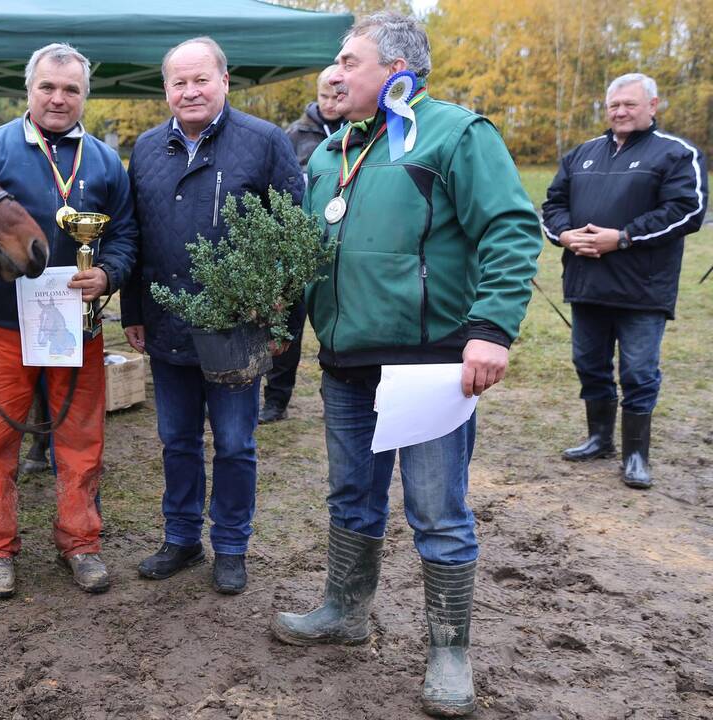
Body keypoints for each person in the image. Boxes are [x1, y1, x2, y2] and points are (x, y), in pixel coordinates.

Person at [268, 12, 542, 717]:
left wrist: (491, 330)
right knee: (350, 496)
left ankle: (450, 649)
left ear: (395, 69)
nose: (333, 72)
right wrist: (282, 324)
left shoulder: (455, 133)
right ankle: (344, 608)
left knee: (436, 511)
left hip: (429, 368)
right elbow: (311, 253)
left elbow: (510, 227)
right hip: (346, 362)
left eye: (347, 60)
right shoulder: (333, 150)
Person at [0, 43, 137, 598]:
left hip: (79, 328)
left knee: (81, 441)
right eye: (48, 87)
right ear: (29, 91)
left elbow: (123, 235)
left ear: (84, 97)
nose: (58, 98)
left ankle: (81, 543)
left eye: (71, 89)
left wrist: (109, 274)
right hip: (2, 324)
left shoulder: (102, 161)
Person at [121, 37, 304, 595]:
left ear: (225, 81)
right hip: (167, 322)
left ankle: (230, 544)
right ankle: (180, 538)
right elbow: (137, 236)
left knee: (234, 443)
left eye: (201, 79)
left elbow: (294, 239)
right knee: (176, 440)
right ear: (166, 90)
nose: (190, 91)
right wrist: (134, 309)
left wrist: (279, 321)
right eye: (179, 82)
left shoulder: (263, 143)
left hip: (237, 332)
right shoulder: (147, 149)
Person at [542, 73, 708, 490]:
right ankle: (599, 439)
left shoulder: (675, 154)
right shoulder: (583, 154)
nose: (620, 111)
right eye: (614, 104)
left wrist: (623, 237)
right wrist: (564, 234)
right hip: (587, 283)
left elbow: (687, 211)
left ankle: (636, 454)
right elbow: (553, 204)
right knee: (589, 365)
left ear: (653, 106)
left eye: (629, 104)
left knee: (638, 371)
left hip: (642, 288)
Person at [259, 66, 345, 425]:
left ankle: (338, 397)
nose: (329, 103)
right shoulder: (293, 135)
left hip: (341, 245)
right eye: (323, 96)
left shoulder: (363, 131)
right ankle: (276, 399)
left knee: (337, 325)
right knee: (286, 327)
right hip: (296, 246)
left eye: (336, 97)